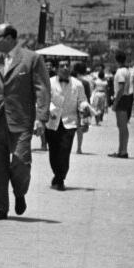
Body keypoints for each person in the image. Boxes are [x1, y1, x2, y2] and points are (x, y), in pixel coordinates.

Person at [0, 23, 50, 220]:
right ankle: (0, 208)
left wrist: (41, 118)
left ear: (10, 38)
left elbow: (42, 89)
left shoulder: (31, 59)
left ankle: (19, 192)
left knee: (20, 161)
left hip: (21, 120)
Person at [44, 59, 90, 190]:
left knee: (65, 151)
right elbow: (45, 99)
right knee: (54, 152)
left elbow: (82, 100)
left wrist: (84, 109)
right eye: (61, 66)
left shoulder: (78, 84)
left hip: (69, 122)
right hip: (52, 121)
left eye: (67, 65)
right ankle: (57, 175)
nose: (65, 68)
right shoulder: (49, 82)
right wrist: (51, 110)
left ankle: (60, 179)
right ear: (56, 68)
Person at [109, 51, 132, 158]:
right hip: (126, 98)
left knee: (122, 126)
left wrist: (115, 102)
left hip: (121, 99)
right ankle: (121, 150)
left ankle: (123, 151)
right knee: (121, 126)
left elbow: (121, 88)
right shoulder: (127, 70)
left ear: (116, 60)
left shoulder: (120, 72)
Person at [72, 62, 92, 154]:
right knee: (79, 128)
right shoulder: (85, 82)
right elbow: (88, 95)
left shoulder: (71, 81)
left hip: (71, 105)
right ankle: (79, 148)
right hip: (82, 106)